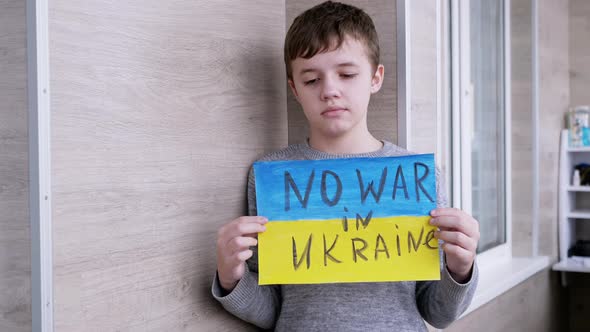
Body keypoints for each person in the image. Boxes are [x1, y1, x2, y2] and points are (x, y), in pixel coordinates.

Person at [212, 1, 479, 330]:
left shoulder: (416, 178)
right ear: (295, 89)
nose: (329, 91)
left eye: (347, 74)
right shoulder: (271, 176)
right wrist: (231, 278)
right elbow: (272, 310)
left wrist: (461, 268)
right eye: (311, 80)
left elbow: (436, 311)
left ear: (375, 78)